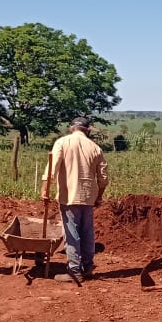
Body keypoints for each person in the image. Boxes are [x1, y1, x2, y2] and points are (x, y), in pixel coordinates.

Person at [43, 117, 109, 284]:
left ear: (72, 128)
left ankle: (74, 271)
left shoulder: (62, 142)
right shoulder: (95, 147)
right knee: (87, 231)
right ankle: (87, 267)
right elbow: (103, 178)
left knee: (71, 233)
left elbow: (52, 168)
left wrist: (44, 190)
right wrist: (99, 196)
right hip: (88, 196)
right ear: (87, 130)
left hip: (68, 196)